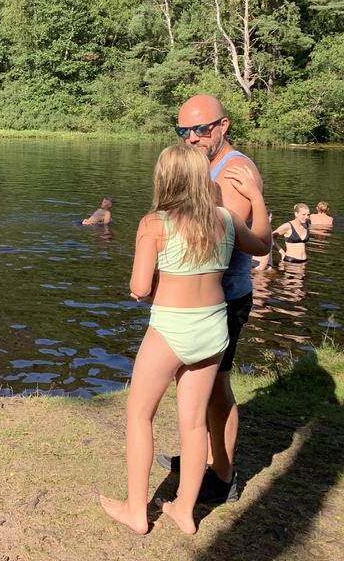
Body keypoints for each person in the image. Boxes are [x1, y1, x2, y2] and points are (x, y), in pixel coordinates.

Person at [99, 143, 270, 536]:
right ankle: (185, 511)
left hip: (171, 330)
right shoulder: (226, 219)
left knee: (140, 414)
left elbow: (140, 288)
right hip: (214, 329)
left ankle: (137, 512)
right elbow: (263, 245)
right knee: (193, 424)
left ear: (164, 179)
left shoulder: (153, 223)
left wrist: (149, 285)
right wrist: (257, 197)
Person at [155, 94, 270, 504]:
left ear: (223, 126)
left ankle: (222, 477)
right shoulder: (202, 165)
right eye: (183, 130)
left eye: (200, 129)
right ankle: (200, 460)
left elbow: (217, 239)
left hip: (223, 300)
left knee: (216, 388)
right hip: (200, 302)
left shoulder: (235, 171)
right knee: (198, 386)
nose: (191, 138)